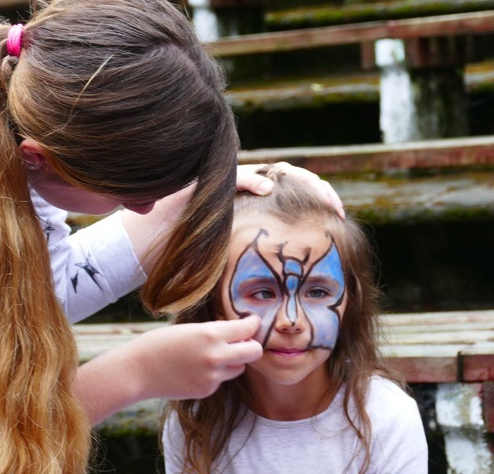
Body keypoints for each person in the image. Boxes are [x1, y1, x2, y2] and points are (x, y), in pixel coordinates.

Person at [0, 0, 343, 473]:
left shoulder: (7, 75)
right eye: (132, 196)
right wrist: (133, 374)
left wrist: (211, 191)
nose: (147, 211)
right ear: (39, 158)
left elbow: (28, 283)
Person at [162, 165, 428, 474]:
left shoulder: (385, 415)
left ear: (348, 303)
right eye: (262, 293)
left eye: (316, 292)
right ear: (215, 303)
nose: (291, 320)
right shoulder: (198, 419)